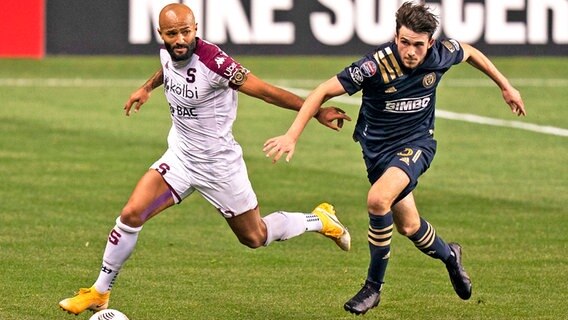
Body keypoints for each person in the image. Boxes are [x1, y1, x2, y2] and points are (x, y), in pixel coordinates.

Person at [58, 3, 352, 316]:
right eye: (172, 34)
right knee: (130, 215)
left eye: (186, 31)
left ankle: (319, 220)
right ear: (162, 35)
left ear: (196, 29)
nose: (180, 39)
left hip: (219, 167)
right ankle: (99, 292)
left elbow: (265, 91)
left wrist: (316, 111)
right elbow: (167, 68)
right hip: (181, 157)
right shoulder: (167, 51)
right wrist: (146, 88)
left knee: (255, 237)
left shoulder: (216, 64)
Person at [263, 1, 526, 316]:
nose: (411, 51)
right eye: (404, 43)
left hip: (417, 145)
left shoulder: (441, 54)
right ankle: (450, 256)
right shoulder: (374, 66)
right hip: (376, 152)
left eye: (418, 45)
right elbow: (322, 91)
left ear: (430, 43)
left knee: (377, 200)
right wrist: (293, 134)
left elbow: (470, 51)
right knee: (410, 227)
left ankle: (373, 288)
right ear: (395, 37)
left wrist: (505, 86)